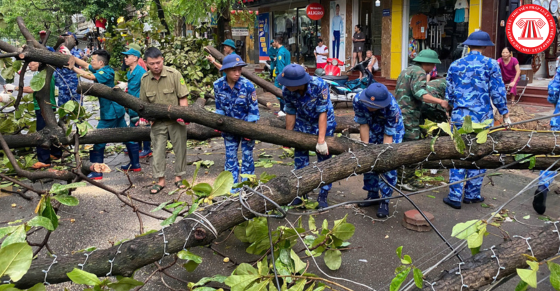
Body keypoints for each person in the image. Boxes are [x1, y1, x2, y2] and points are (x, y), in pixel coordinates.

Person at [443, 31, 511, 209]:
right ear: (486, 46)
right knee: (479, 153)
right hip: (482, 118)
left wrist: (450, 106)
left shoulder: (455, 65)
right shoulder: (491, 64)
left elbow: (448, 93)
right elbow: (497, 92)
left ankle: (455, 196)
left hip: (460, 117)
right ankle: (472, 194)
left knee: (459, 152)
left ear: (468, 45)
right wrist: (505, 114)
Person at [70, 50, 139, 180]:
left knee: (98, 140)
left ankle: (97, 172)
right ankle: (135, 164)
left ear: (101, 63)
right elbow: (85, 65)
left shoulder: (107, 72)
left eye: (94, 60)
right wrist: (72, 58)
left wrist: (73, 68)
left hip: (110, 112)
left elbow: (90, 77)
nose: (91, 62)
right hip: (114, 110)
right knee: (126, 136)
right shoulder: (100, 68)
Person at [277, 64, 336, 208]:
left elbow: (323, 113)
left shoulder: (319, 85)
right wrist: (289, 136)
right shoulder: (287, 91)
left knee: (324, 160)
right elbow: (290, 112)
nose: (285, 85)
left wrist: (321, 140)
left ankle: (323, 194)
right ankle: (300, 192)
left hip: (323, 122)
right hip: (303, 123)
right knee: (300, 159)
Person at [395, 49, 449, 191]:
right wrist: (440, 102)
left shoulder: (407, 70)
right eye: (433, 65)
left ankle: (405, 177)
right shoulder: (419, 72)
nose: (433, 69)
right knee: (410, 149)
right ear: (428, 63)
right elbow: (420, 94)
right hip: (409, 115)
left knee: (403, 146)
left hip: (401, 113)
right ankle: (404, 180)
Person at [138, 47, 189, 195]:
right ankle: (160, 180)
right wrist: (148, 118)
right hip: (158, 122)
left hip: (176, 121)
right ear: (146, 63)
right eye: (152, 63)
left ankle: (179, 177)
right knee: (158, 151)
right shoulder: (145, 80)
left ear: (162, 60)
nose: (156, 66)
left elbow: (183, 97)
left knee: (180, 149)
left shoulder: (174, 75)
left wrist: (184, 115)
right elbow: (144, 104)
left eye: (158, 62)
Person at [354, 83, 404, 218]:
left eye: (374, 106)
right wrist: (366, 147)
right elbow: (363, 124)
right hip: (371, 127)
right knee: (369, 158)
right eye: (369, 104)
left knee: (387, 163)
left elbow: (388, 135)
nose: (370, 108)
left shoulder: (392, 108)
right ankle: (372, 194)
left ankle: (384, 200)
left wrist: (383, 155)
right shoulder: (358, 99)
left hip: (391, 131)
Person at [214, 54, 260, 187]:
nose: (237, 73)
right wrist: (218, 122)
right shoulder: (218, 85)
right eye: (234, 70)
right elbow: (219, 108)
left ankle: (247, 187)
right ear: (226, 70)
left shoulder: (248, 86)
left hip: (246, 127)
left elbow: (253, 111)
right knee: (230, 158)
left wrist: (249, 130)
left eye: (239, 69)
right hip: (228, 128)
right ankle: (232, 187)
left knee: (247, 158)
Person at [13, 62, 61, 169]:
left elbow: (31, 89)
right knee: (51, 130)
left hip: (43, 107)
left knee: (42, 133)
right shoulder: (43, 73)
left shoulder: (43, 75)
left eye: (31, 62)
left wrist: (15, 88)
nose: (29, 65)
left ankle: (44, 160)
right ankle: (56, 153)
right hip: (46, 106)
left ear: (39, 62)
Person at [532, 63, 560, 215]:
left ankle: (543, 186)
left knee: (552, 154)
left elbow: (553, 89)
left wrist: (556, 103)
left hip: (558, 119)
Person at [119, 46, 151, 160]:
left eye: (127, 56)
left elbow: (146, 89)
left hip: (139, 103)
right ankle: (137, 147)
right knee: (134, 125)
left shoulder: (141, 72)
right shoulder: (130, 72)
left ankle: (147, 149)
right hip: (132, 104)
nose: (125, 58)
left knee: (143, 126)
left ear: (135, 58)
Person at [273, 36, 291, 117]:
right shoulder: (286, 51)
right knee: (284, 92)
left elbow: (281, 67)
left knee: (279, 92)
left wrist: (281, 79)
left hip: (282, 75)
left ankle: (284, 110)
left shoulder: (280, 52)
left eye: (274, 42)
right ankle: (282, 110)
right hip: (287, 74)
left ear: (277, 42)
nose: (273, 43)